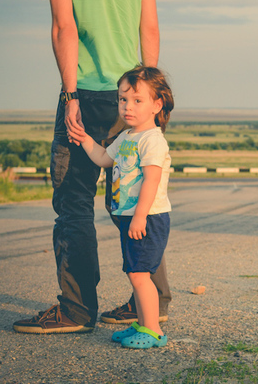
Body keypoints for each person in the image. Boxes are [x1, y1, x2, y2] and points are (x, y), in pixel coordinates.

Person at [13, 0, 170, 335]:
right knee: (137, 192)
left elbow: (64, 28)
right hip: (132, 97)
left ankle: (77, 310)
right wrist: (149, 98)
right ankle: (153, 300)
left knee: (75, 202)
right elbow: (149, 29)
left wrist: (70, 93)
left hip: (85, 93)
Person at [76, 66, 174, 349]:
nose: (127, 106)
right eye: (123, 99)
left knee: (140, 274)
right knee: (135, 272)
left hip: (148, 217)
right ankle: (144, 324)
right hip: (132, 217)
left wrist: (140, 217)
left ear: (157, 105)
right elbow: (103, 159)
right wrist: (84, 138)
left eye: (137, 100)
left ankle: (153, 331)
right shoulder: (127, 137)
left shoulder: (152, 140)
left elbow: (151, 181)